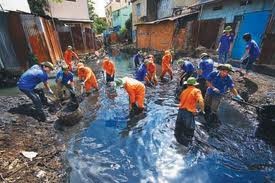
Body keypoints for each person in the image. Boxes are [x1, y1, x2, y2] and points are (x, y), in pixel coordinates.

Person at [175, 77, 204, 146]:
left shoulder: (184, 91)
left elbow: (180, 100)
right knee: (189, 131)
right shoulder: (197, 90)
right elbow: (201, 101)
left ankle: (176, 143)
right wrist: (202, 110)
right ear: (194, 85)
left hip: (180, 112)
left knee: (178, 130)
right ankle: (187, 145)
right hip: (188, 113)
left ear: (187, 84)